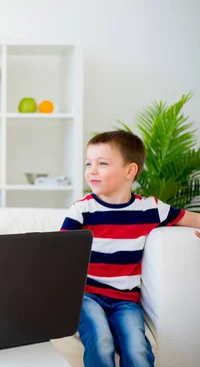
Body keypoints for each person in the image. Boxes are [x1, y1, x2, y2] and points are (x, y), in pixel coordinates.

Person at [61, 130, 200, 367]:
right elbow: (59, 252)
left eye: (102, 163)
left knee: (136, 347)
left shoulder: (150, 209)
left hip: (125, 301)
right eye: (88, 163)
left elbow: (192, 218)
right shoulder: (82, 209)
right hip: (86, 297)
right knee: (101, 339)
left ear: (130, 171)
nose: (91, 170)